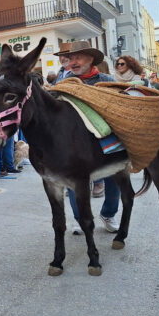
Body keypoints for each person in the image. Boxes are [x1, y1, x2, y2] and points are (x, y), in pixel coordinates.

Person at [52, 41, 120, 234]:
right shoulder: (63, 83)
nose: (73, 62)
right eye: (70, 58)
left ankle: (108, 214)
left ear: (90, 59)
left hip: (104, 140)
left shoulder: (106, 80)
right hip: (73, 143)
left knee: (114, 177)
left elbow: (118, 109)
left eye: (78, 57)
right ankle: (80, 218)